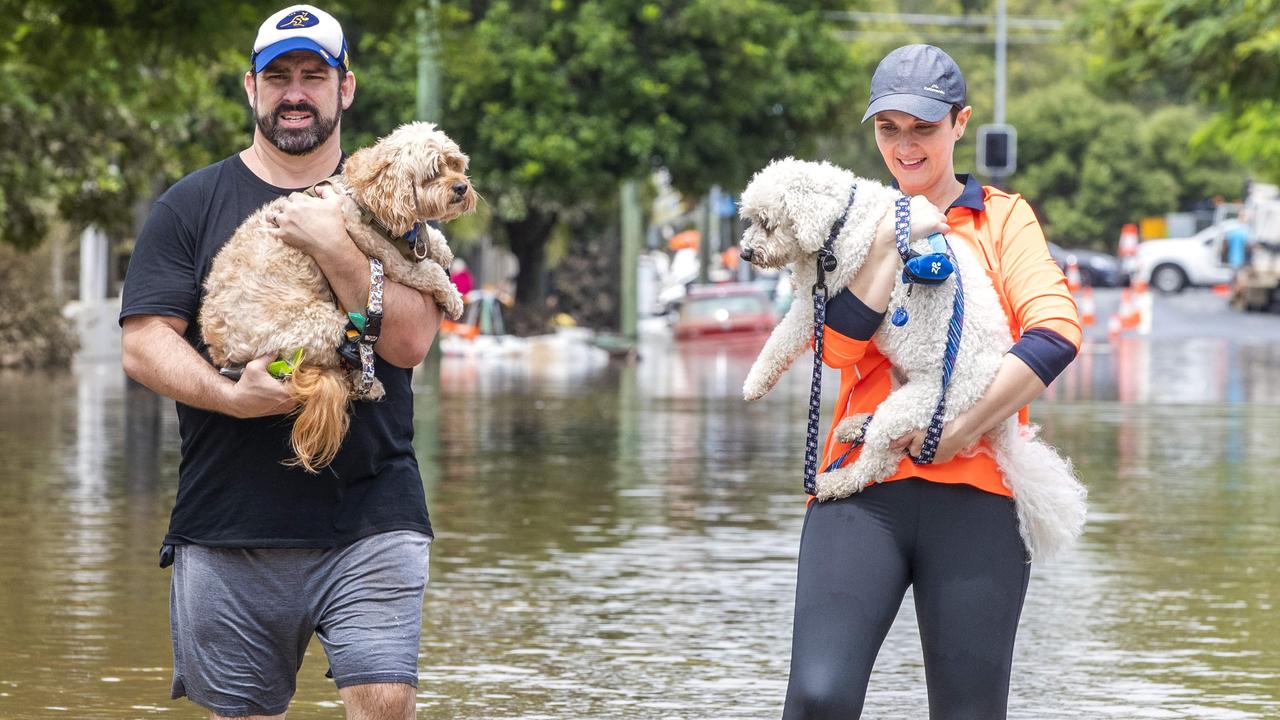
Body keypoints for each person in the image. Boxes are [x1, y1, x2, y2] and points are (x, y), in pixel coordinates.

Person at [119, 5, 441, 718]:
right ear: (251, 88)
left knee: (385, 700)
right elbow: (143, 342)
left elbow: (411, 343)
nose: (295, 92)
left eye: (314, 76)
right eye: (279, 77)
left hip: (372, 513)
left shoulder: (393, 203)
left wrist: (335, 246)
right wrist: (230, 397)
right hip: (230, 520)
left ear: (345, 89)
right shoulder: (191, 205)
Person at [781, 45, 1082, 719]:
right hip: (863, 486)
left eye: (922, 127)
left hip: (979, 498)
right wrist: (891, 237)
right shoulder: (853, 222)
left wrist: (958, 431)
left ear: (959, 124)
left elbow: (1057, 333)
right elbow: (835, 348)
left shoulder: (1004, 219)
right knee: (819, 697)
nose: (905, 144)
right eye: (889, 129)